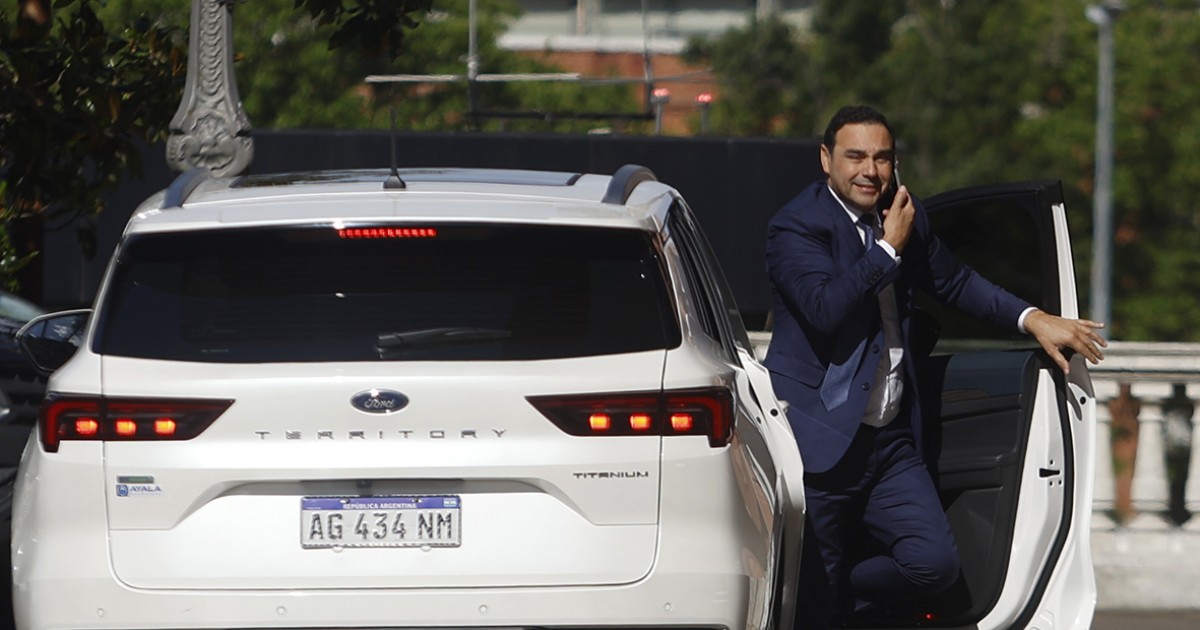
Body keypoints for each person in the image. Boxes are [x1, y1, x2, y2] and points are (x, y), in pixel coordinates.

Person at [763, 105, 1106, 629]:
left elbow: (955, 282)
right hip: (820, 436)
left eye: (882, 158)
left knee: (933, 566)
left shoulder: (903, 213)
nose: (869, 171)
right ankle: (825, 594)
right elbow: (824, 308)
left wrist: (1033, 318)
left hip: (891, 438)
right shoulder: (796, 226)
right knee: (814, 600)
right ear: (826, 159)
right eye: (855, 156)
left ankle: (837, 586)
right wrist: (886, 249)